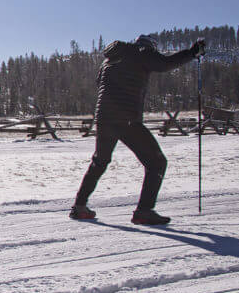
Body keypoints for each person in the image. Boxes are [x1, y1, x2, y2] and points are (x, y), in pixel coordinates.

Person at [70, 35, 206, 225]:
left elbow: (99, 83)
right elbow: (164, 64)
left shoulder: (109, 60)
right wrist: (192, 52)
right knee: (157, 162)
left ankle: (79, 206)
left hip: (103, 117)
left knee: (99, 161)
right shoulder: (141, 52)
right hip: (126, 118)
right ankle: (144, 211)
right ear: (149, 47)